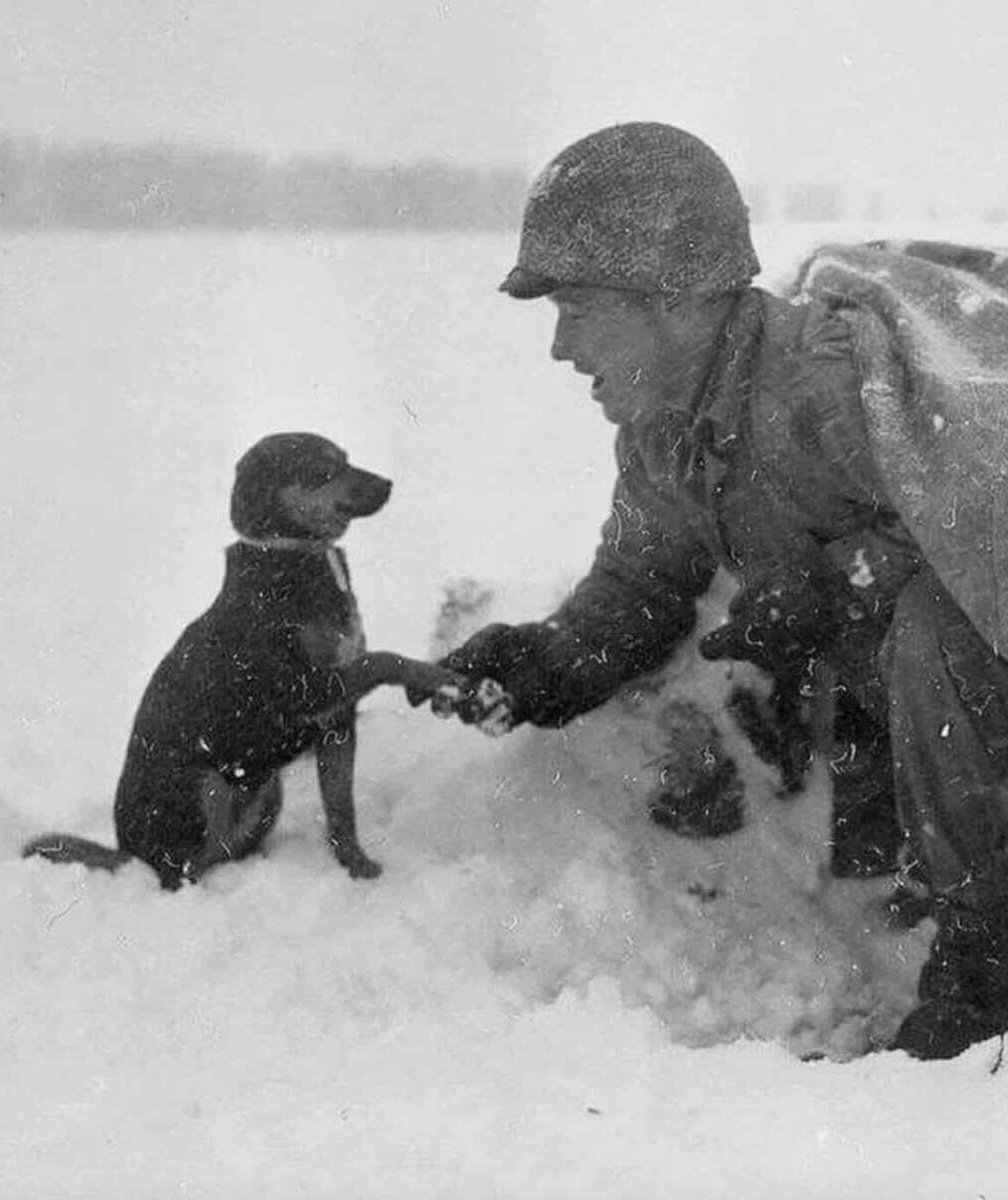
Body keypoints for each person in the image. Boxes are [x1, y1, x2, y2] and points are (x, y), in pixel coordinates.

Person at [422, 121, 1008, 1060]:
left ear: (673, 300)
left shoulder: (833, 381)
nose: (563, 349)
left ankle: (989, 964)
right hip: (910, 734)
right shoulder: (664, 434)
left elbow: (976, 544)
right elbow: (643, 581)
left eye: (580, 310)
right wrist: (554, 659)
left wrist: (835, 584)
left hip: (972, 687)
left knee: (934, 631)